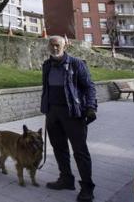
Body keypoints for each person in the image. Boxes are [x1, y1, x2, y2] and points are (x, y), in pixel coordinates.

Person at [41, 35, 97, 202]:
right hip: (52, 113)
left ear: (65, 46)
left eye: (57, 45)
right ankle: (66, 179)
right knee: (59, 148)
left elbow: (89, 86)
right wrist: (46, 109)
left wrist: (91, 107)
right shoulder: (46, 65)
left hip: (73, 113)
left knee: (80, 151)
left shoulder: (76, 63)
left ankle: (87, 187)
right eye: (51, 45)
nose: (55, 48)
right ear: (48, 47)